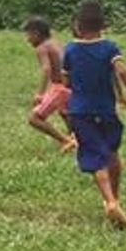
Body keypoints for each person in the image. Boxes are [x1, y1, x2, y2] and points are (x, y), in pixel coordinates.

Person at [63, 1, 126, 229]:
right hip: (106, 111)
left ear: (78, 26)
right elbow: (121, 71)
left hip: (80, 112)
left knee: (95, 157)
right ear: (103, 25)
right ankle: (117, 198)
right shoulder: (110, 48)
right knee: (112, 153)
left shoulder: (70, 50)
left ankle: (109, 201)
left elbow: (66, 81)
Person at [24, 16, 76, 153]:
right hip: (71, 85)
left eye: (28, 35)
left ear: (36, 33)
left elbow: (46, 69)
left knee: (34, 119)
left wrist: (40, 93)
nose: (27, 40)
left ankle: (67, 141)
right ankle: (75, 137)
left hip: (60, 87)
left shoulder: (42, 47)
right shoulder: (56, 43)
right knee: (65, 113)